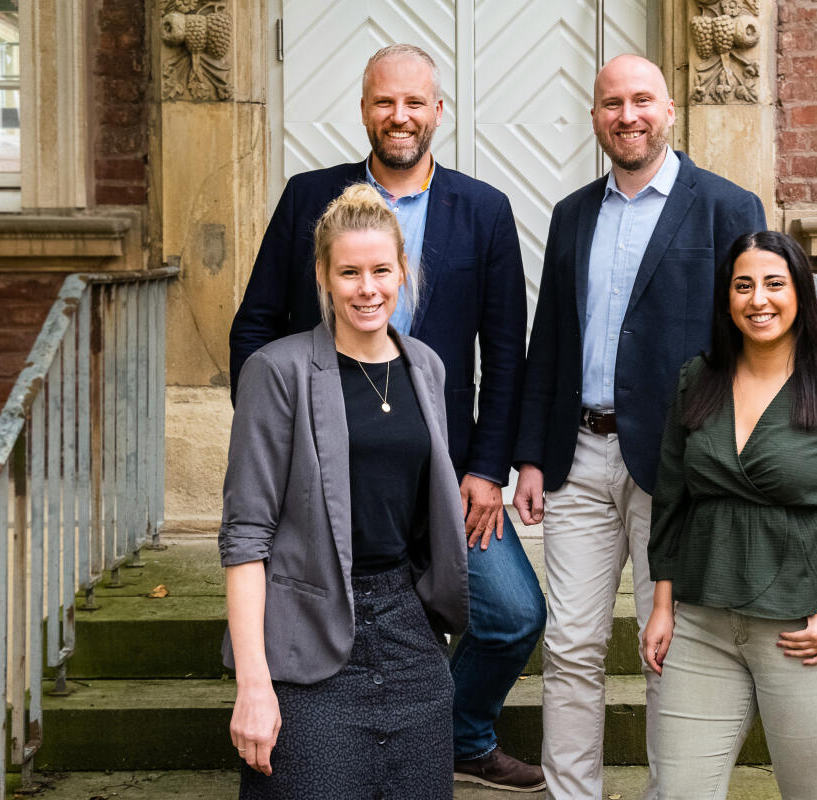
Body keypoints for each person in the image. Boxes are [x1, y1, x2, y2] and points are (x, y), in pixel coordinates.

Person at [229, 44, 546, 791]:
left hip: (441, 474)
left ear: (438, 111)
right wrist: (277, 434)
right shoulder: (310, 197)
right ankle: (311, 720)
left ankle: (461, 734)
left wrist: (485, 469)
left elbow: (506, 354)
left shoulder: (484, 210)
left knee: (512, 612)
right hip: (323, 471)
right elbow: (254, 325)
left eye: (413, 102)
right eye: (383, 102)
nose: (398, 116)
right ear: (365, 110)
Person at [512, 54, 766, 800]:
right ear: (595, 116)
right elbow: (549, 340)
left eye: (642, 100)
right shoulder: (572, 214)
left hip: (680, 468)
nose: (628, 116)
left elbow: (754, 342)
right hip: (578, 457)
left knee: (672, 650)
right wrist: (532, 456)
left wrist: (730, 457)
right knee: (571, 645)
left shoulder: (727, 208)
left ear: (670, 109)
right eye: (612, 103)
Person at [642, 231, 817, 800]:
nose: (758, 299)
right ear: (727, 298)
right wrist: (663, 607)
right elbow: (672, 500)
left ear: (799, 294)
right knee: (679, 791)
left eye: (773, 284)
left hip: (802, 630)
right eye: (743, 286)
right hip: (703, 626)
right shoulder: (697, 379)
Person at [220, 183, 468, 798]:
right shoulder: (276, 372)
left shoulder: (426, 368)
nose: (367, 289)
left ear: (402, 270)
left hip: (408, 639)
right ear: (323, 276)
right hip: (306, 640)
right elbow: (246, 537)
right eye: (349, 272)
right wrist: (254, 684)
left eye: (381, 270)